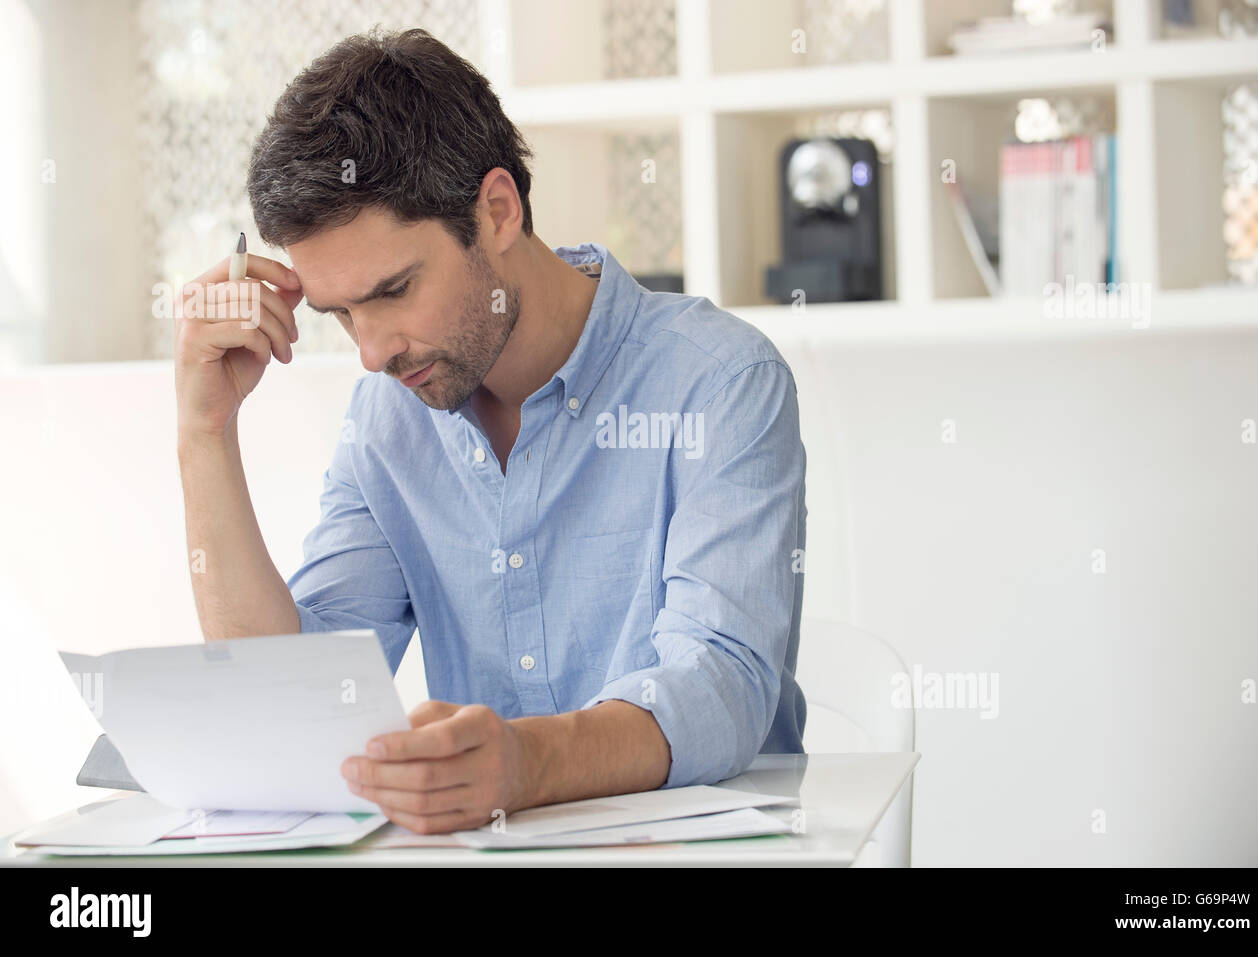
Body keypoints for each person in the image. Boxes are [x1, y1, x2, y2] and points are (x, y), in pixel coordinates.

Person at [173, 27, 806, 835]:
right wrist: (205, 428)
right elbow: (290, 699)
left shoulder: (718, 383)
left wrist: (530, 762)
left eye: (394, 289)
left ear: (497, 211)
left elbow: (721, 684)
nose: (371, 353)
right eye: (340, 314)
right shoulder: (392, 416)